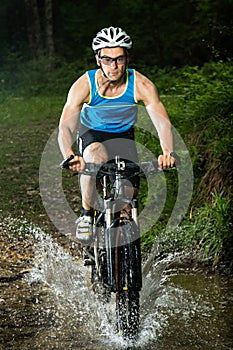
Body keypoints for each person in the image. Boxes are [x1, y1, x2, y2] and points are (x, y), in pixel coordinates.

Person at [58, 26, 176, 244]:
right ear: (98, 60)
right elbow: (65, 127)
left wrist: (167, 152)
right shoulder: (85, 85)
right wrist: (69, 154)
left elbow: (163, 123)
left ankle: (124, 249)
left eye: (119, 59)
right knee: (94, 159)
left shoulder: (141, 84)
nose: (113, 66)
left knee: (128, 198)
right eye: (107, 59)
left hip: (123, 137)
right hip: (92, 134)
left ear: (127, 58)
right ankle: (86, 215)